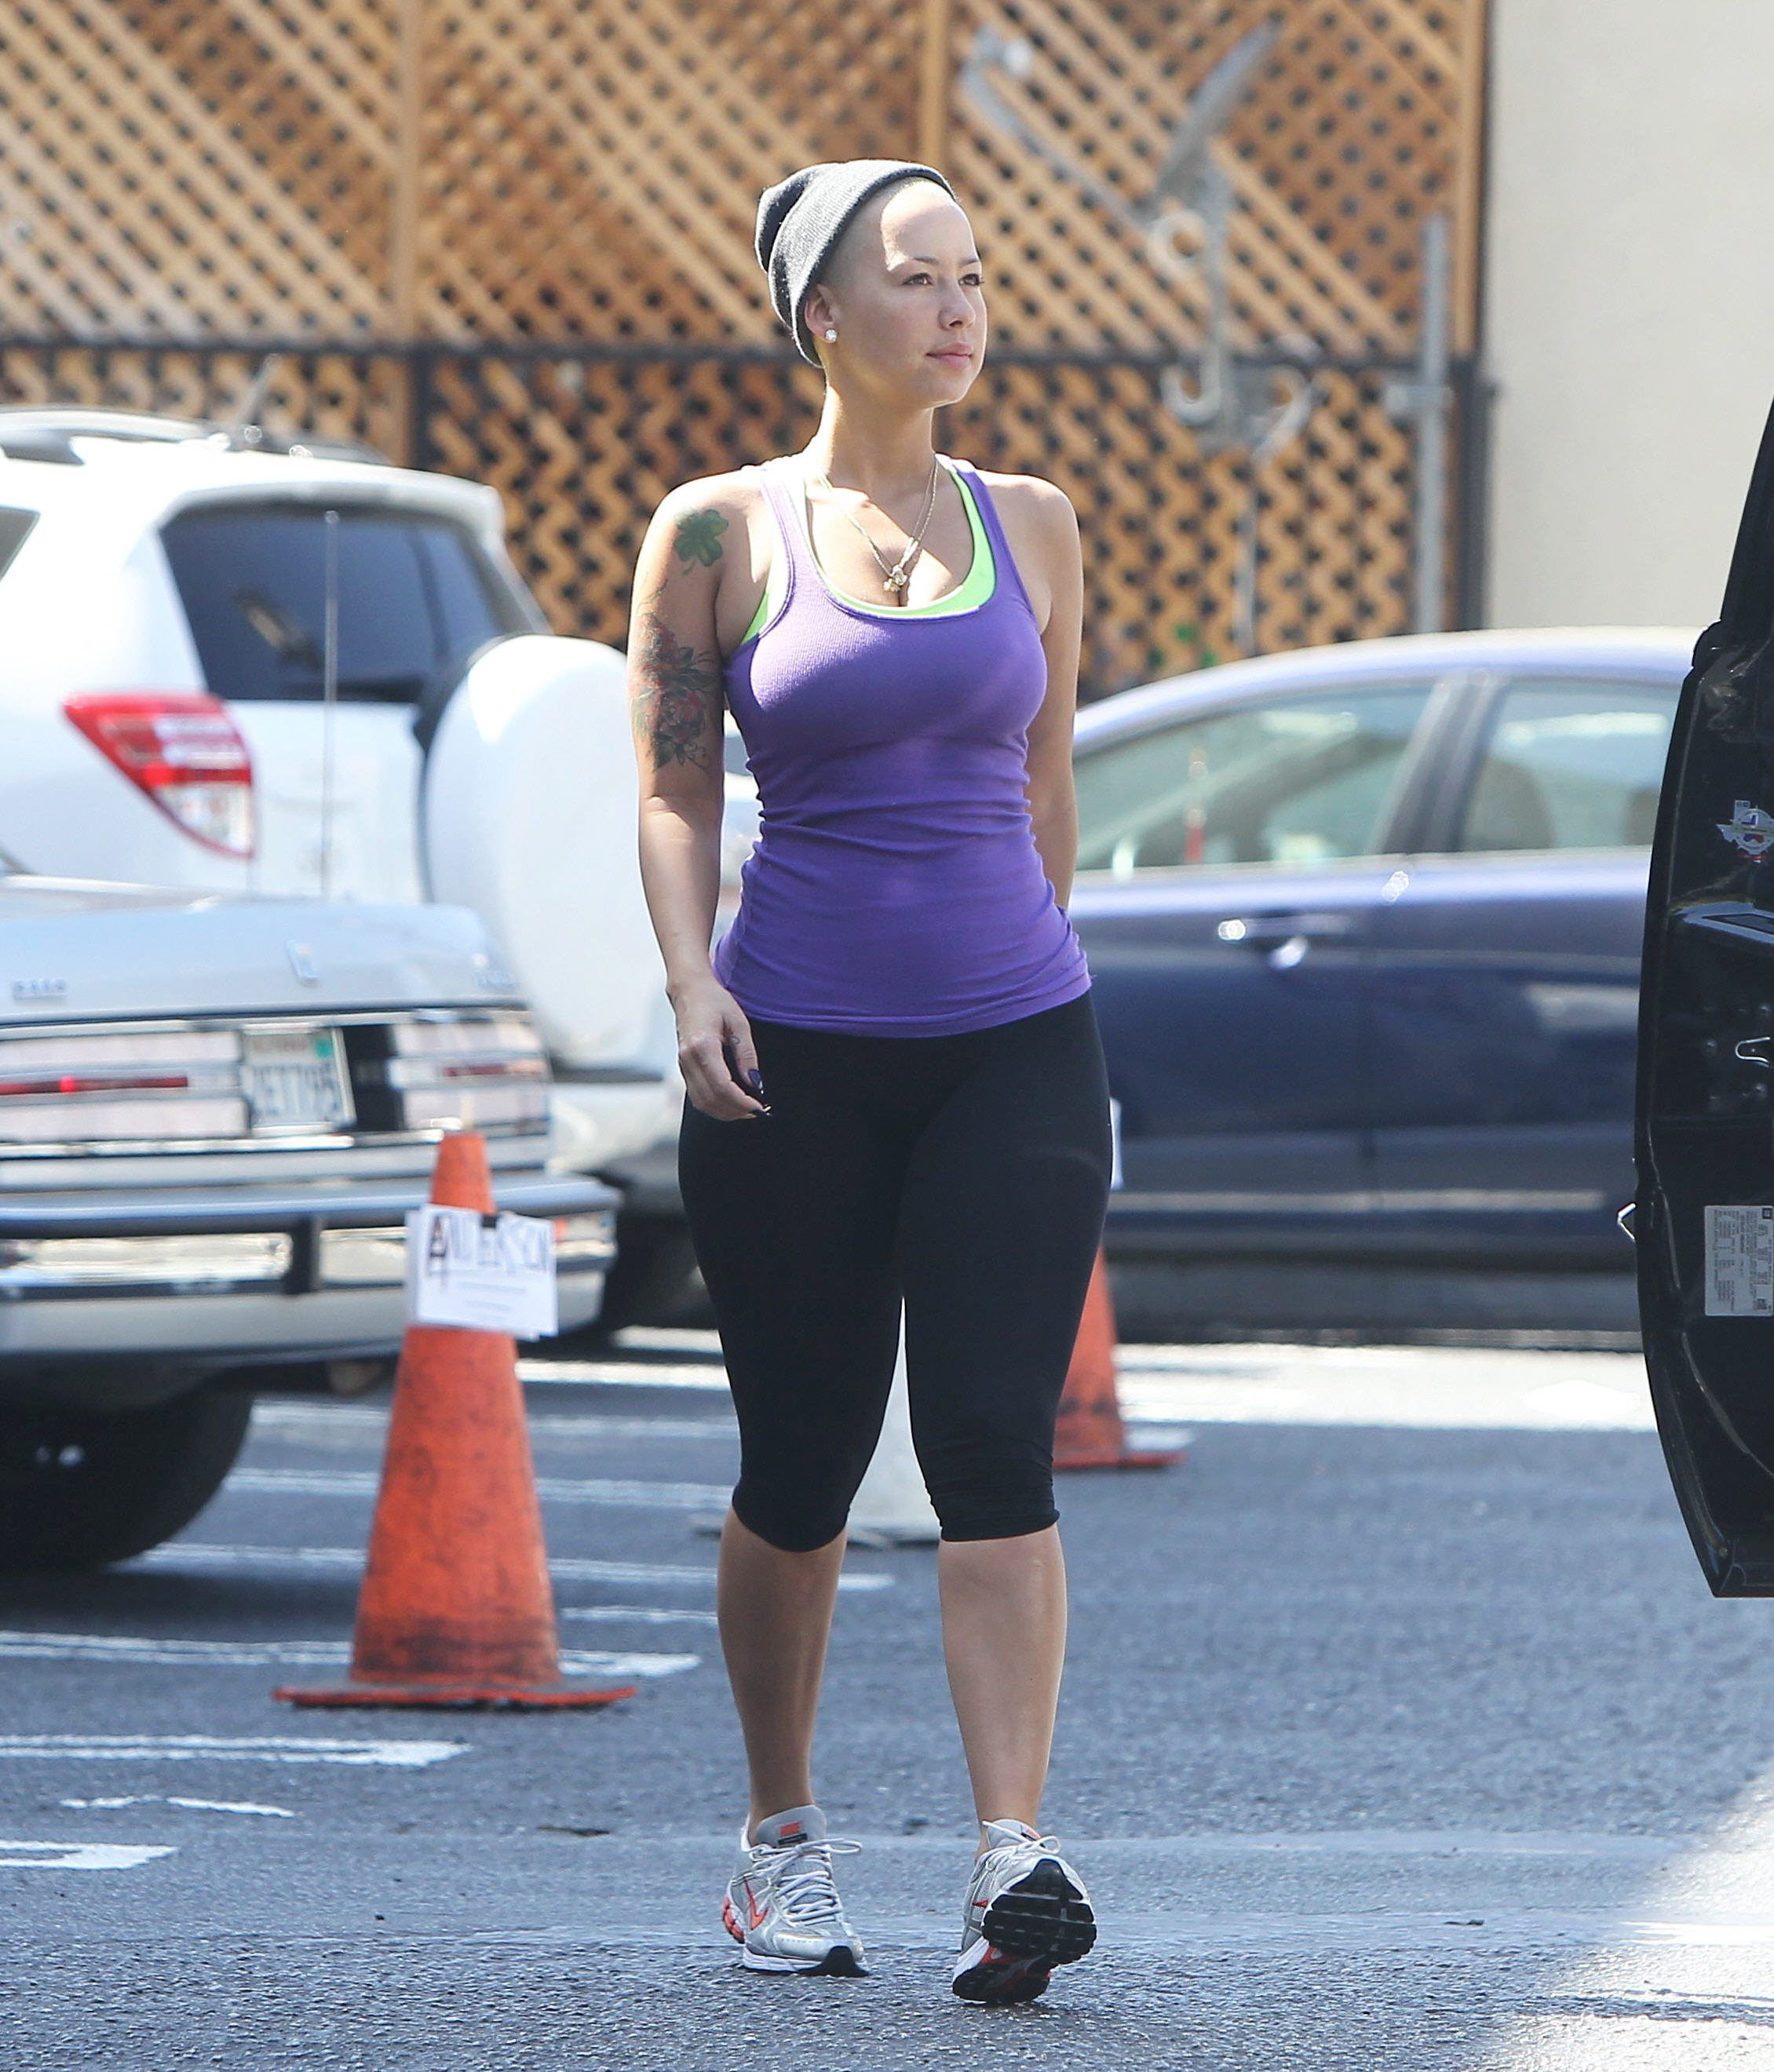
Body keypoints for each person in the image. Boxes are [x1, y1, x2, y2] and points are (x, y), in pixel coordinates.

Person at [626, 158, 1111, 2007]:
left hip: (1013, 1046)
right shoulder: (714, 531)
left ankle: (1010, 1861)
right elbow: (672, 787)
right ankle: (778, 1841)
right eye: (918, 277)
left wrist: (1028, 963)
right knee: (804, 1460)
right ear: (822, 313)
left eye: (973, 274)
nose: (958, 307)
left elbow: (1045, 787)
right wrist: (691, 984)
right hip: (791, 1060)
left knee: (993, 1443)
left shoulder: (1033, 524)